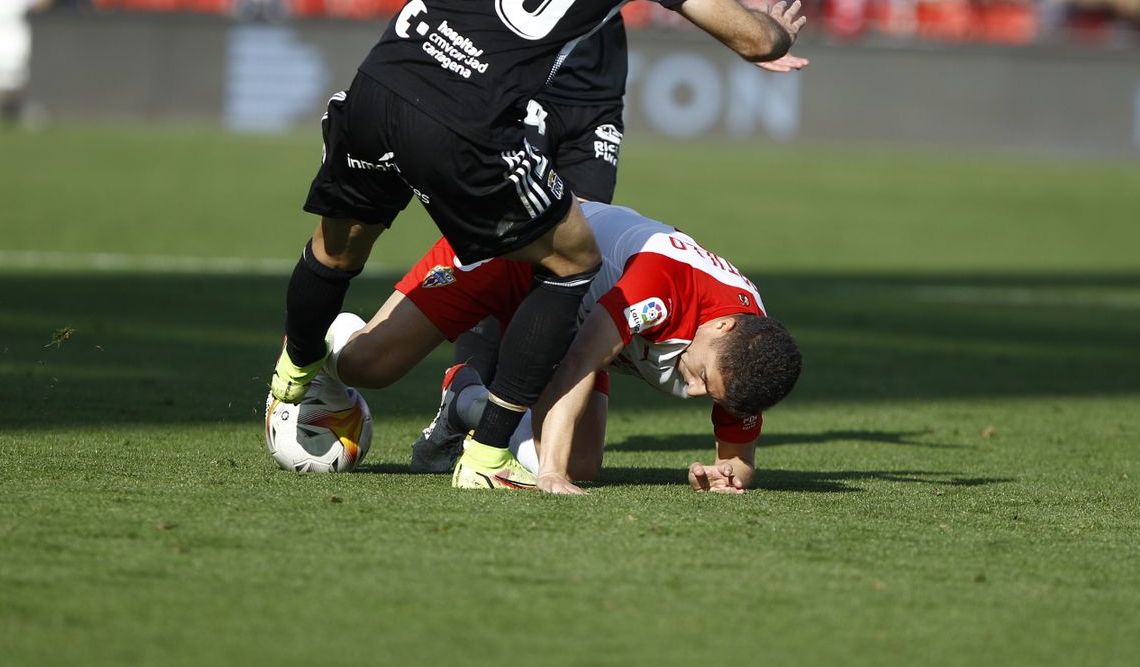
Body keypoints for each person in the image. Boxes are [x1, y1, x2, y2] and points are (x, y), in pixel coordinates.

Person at [152, 0, 806, 489]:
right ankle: (485, 452)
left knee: (337, 250)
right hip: (470, 128)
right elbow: (748, 34)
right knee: (566, 268)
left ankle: (308, 377)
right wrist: (774, 33)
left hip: (384, 80)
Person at [304, 201, 802, 495]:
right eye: (701, 378)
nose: (692, 391)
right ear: (721, 329)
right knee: (368, 366)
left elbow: (739, 457)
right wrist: (550, 473)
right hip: (512, 248)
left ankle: (467, 401)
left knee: (583, 465)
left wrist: (726, 475)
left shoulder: (748, 358)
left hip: (572, 313)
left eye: (707, 393)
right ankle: (329, 338)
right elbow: (584, 359)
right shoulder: (664, 287)